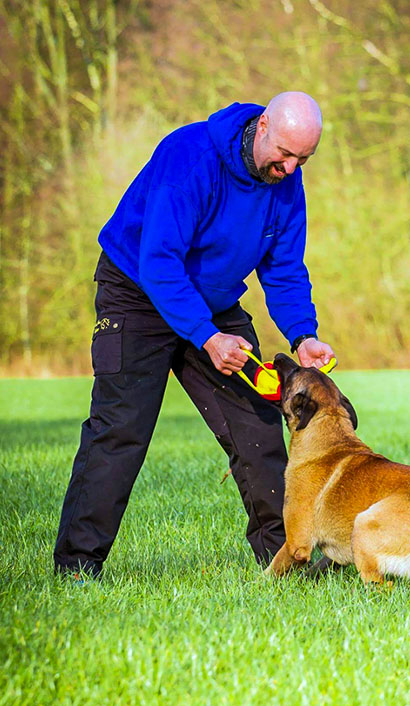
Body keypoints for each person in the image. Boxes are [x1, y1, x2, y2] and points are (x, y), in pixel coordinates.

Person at [54, 91, 335, 579]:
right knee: (121, 430)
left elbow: (285, 268)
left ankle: (285, 562)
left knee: (258, 427)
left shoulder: (287, 185)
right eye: (285, 154)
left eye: (302, 159)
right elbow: (159, 261)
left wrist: (301, 335)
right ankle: (77, 566)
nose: (290, 168)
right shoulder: (189, 158)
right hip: (138, 292)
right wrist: (207, 338)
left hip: (214, 302)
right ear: (263, 125)